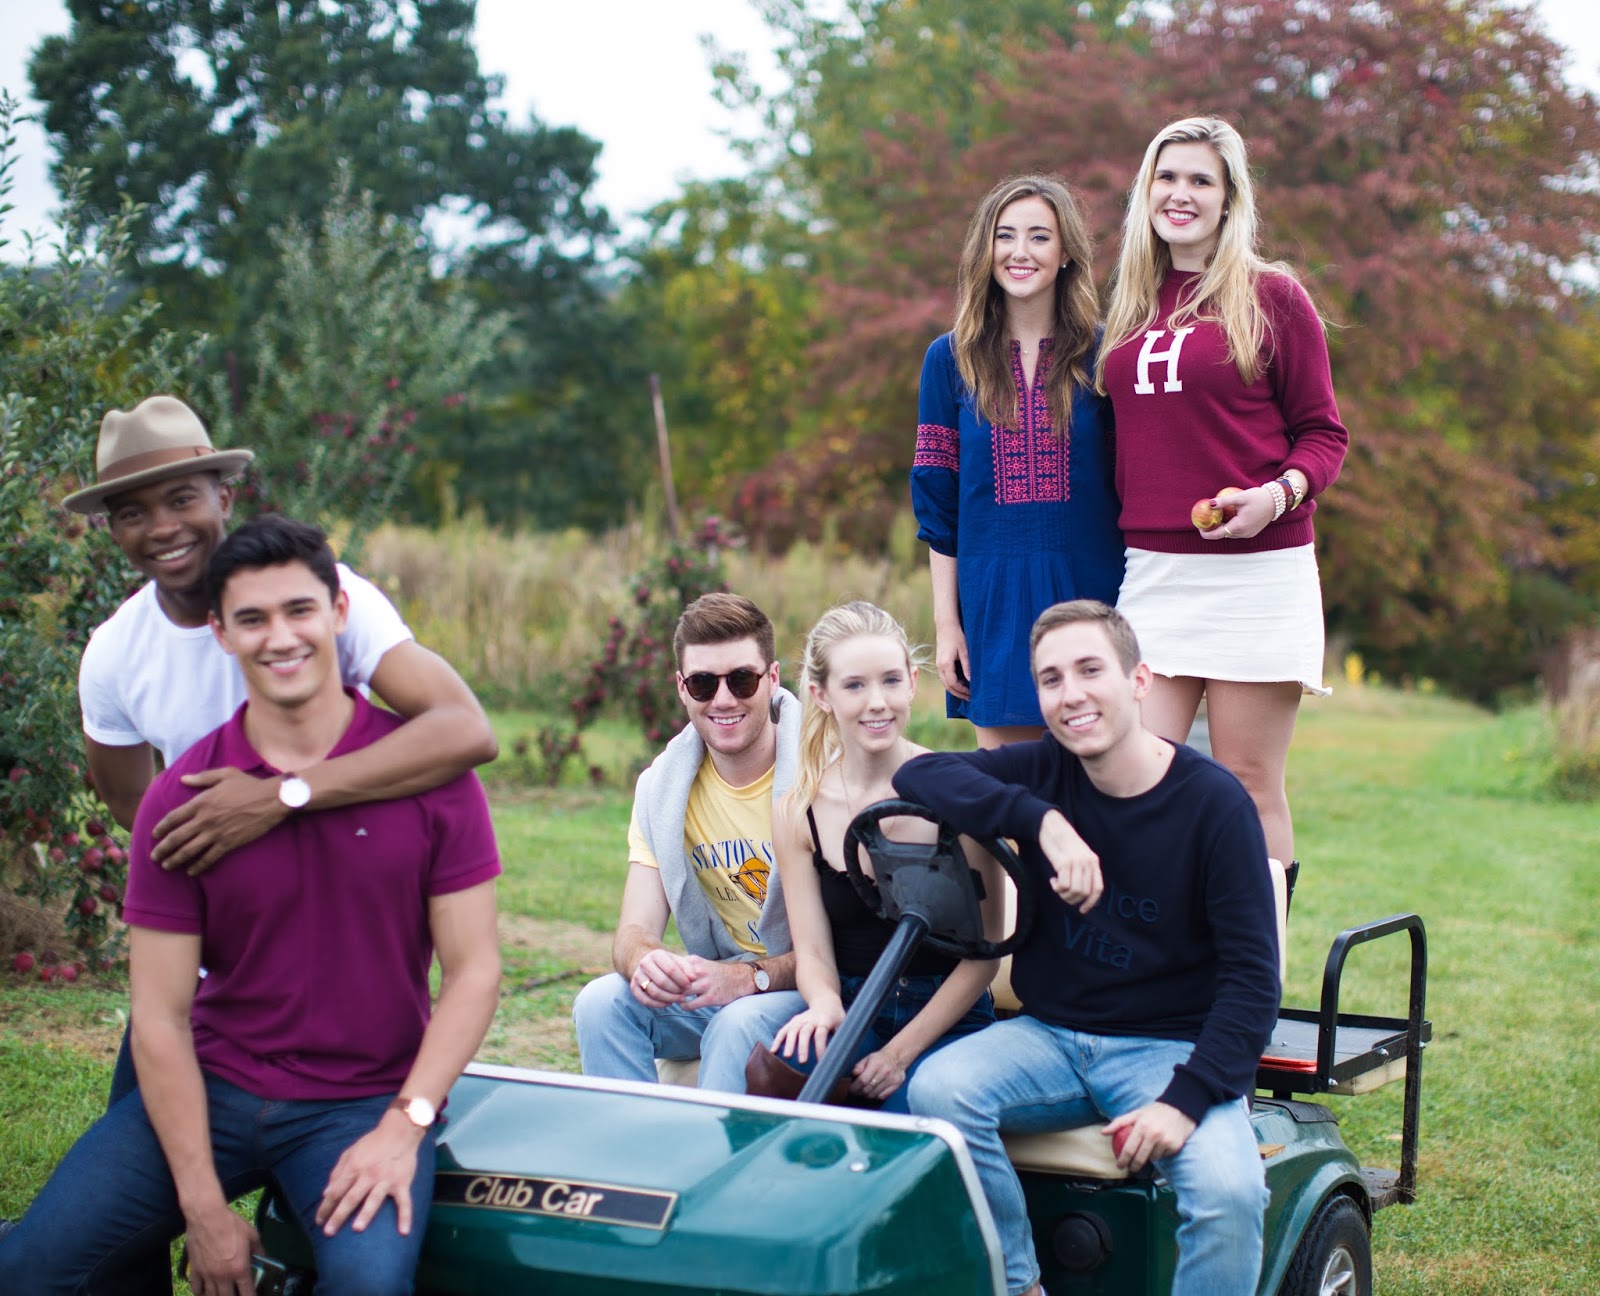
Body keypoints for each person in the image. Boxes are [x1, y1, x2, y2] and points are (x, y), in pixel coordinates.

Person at [0, 516, 503, 1296]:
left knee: (369, 1289)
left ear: (340, 611)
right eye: (253, 619)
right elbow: (159, 1015)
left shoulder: (433, 782)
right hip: (216, 1086)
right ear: (221, 633)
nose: (280, 637)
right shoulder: (184, 801)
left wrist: (404, 1125)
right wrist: (203, 1208)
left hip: (360, 1103)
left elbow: (474, 972)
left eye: (299, 610)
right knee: (31, 1269)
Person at [894, 599, 1281, 1296]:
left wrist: (1184, 1100)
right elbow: (919, 776)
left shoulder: (1213, 804)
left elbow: (1254, 983)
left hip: (1170, 1049)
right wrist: (1040, 820)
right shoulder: (1046, 770)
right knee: (938, 1090)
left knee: (1230, 1193)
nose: (1070, 693)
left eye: (1090, 670)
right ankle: (1020, 1283)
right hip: (1050, 1038)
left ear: (1139, 681)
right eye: (1051, 679)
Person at [1096, 116, 1349, 865]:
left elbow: (1323, 435)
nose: (1181, 194)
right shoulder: (1128, 304)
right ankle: (1156, 935)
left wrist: (1275, 498)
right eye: (1167, 177)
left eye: (1200, 180)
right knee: (1132, 775)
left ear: (1230, 198)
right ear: (1146, 190)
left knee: (1248, 782)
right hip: (1154, 573)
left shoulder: (1273, 296)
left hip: (1258, 574)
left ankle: (1259, 939)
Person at [912, 174, 1124, 750]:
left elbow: (1131, 482)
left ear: (1066, 253)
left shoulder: (1106, 355)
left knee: (1095, 783)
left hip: (1092, 594)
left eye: (1039, 236)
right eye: (1005, 236)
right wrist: (947, 626)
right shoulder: (949, 360)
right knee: (1007, 790)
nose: (1020, 251)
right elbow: (939, 508)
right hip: (993, 603)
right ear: (985, 250)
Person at [762, 602, 1002, 1110]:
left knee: (900, 1120)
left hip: (947, 1016)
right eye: (854, 685)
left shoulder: (961, 794)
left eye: (891, 680)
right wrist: (825, 1004)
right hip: (854, 1005)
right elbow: (813, 952)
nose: (877, 702)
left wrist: (898, 1054)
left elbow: (985, 957)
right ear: (821, 695)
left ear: (913, 682)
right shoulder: (798, 811)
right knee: (781, 1076)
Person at [571, 592, 807, 1091]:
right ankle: (629, 1141)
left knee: (736, 1023)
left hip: (814, 988)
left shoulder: (821, 773)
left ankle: (712, 1145)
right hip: (723, 981)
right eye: (703, 683)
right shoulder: (661, 789)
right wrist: (646, 960)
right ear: (682, 689)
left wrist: (747, 979)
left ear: (773, 678)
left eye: (741, 680)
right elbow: (633, 929)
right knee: (600, 1003)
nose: (723, 700)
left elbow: (851, 950)